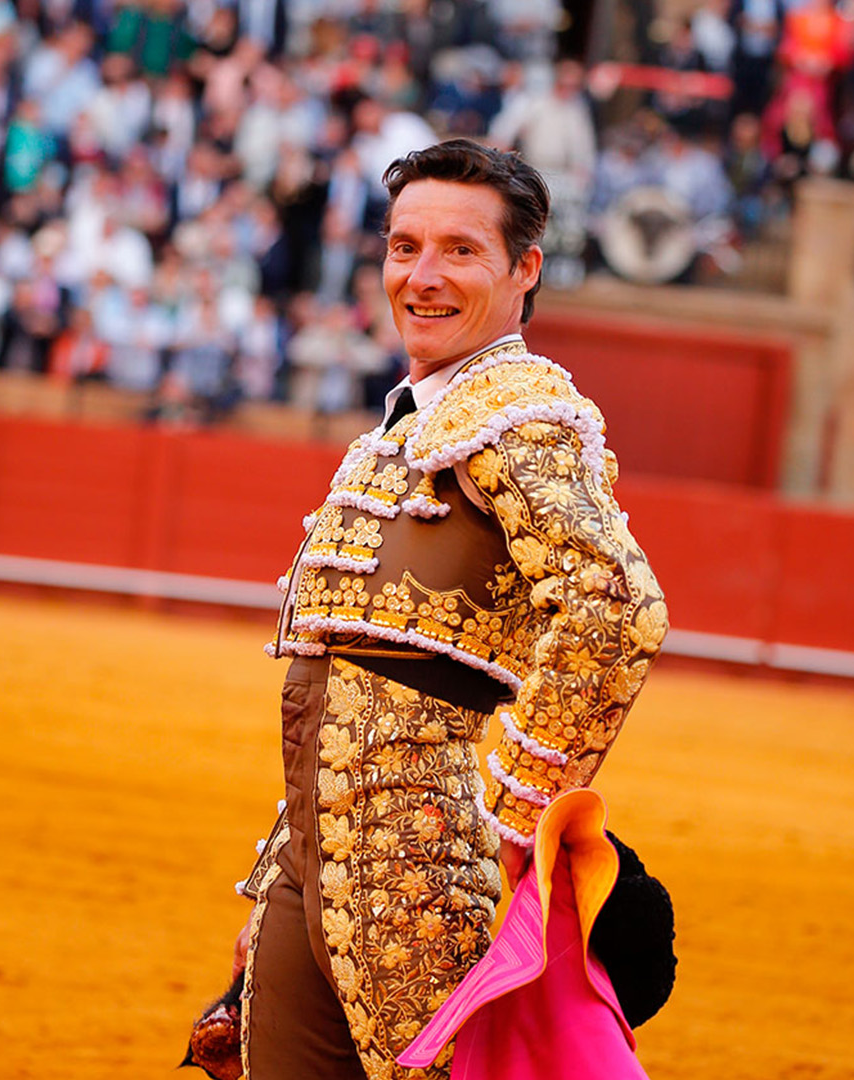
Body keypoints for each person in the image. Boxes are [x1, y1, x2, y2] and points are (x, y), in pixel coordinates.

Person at [195, 138, 669, 1080]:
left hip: (416, 856)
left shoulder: (518, 415)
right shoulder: (408, 425)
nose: (423, 275)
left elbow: (614, 605)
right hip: (316, 857)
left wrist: (517, 813)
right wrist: (281, 885)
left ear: (523, 270)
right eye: (404, 246)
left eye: (460, 250)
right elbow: (338, 690)